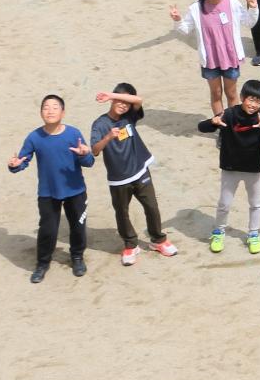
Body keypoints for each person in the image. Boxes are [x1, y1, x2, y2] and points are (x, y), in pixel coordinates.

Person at [89, 85, 177, 266]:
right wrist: (108, 138)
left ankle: (158, 240)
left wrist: (113, 95)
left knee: (152, 206)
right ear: (112, 101)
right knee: (122, 212)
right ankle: (130, 245)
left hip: (140, 171)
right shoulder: (100, 124)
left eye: (126, 102)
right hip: (118, 178)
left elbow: (139, 101)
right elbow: (95, 150)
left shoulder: (129, 117)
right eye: (119, 101)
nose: (123, 105)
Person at [10, 95, 94, 283]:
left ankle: (77, 257)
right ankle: (42, 263)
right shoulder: (34, 137)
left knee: (78, 227)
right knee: (48, 230)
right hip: (48, 192)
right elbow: (22, 161)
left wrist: (84, 155)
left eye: (55, 107)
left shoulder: (73, 134)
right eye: (46, 107)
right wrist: (15, 165)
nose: (50, 111)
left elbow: (89, 162)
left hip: (75, 191)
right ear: (41, 113)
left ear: (63, 112)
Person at [197, 79, 260, 256]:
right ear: (241, 97)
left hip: (253, 168)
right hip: (230, 167)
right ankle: (218, 232)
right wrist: (213, 122)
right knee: (224, 203)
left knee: (255, 204)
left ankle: (253, 234)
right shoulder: (230, 114)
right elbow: (201, 127)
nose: (254, 105)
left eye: (258, 101)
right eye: (251, 99)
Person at [170, 0, 258, 117]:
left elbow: (249, 22)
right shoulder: (196, 8)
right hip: (210, 59)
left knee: (231, 93)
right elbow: (185, 29)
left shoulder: (232, 2)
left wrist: (253, 8)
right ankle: (221, 125)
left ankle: (232, 126)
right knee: (216, 94)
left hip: (230, 56)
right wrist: (177, 19)